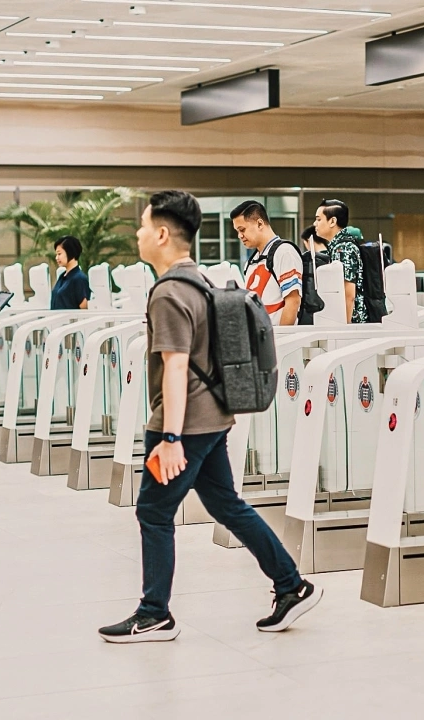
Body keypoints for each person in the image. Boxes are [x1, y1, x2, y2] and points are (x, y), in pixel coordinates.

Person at [98, 190, 322, 643]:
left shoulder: (168, 293)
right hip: (214, 415)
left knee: (153, 512)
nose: (138, 234)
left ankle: (154, 612)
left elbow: (177, 367)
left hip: (188, 424)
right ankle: (290, 584)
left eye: (143, 226)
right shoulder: (199, 280)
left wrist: (171, 438)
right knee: (226, 504)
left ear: (162, 234)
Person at [232, 200, 302, 326]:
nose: (239, 236)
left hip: (278, 340)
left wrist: (282, 340)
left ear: (259, 224)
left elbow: (293, 301)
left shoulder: (284, 252)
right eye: (237, 231)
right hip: (259, 340)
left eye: (242, 230)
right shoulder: (250, 262)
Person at [313, 199, 367, 323]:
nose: (315, 224)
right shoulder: (340, 246)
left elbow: (349, 295)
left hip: (353, 325)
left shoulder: (342, 249)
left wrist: (343, 330)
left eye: (319, 219)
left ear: (332, 221)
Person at [51, 235, 89, 310]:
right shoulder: (63, 276)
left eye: (59, 254)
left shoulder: (79, 278)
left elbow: (84, 309)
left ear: (70, 252)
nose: (56, 258)